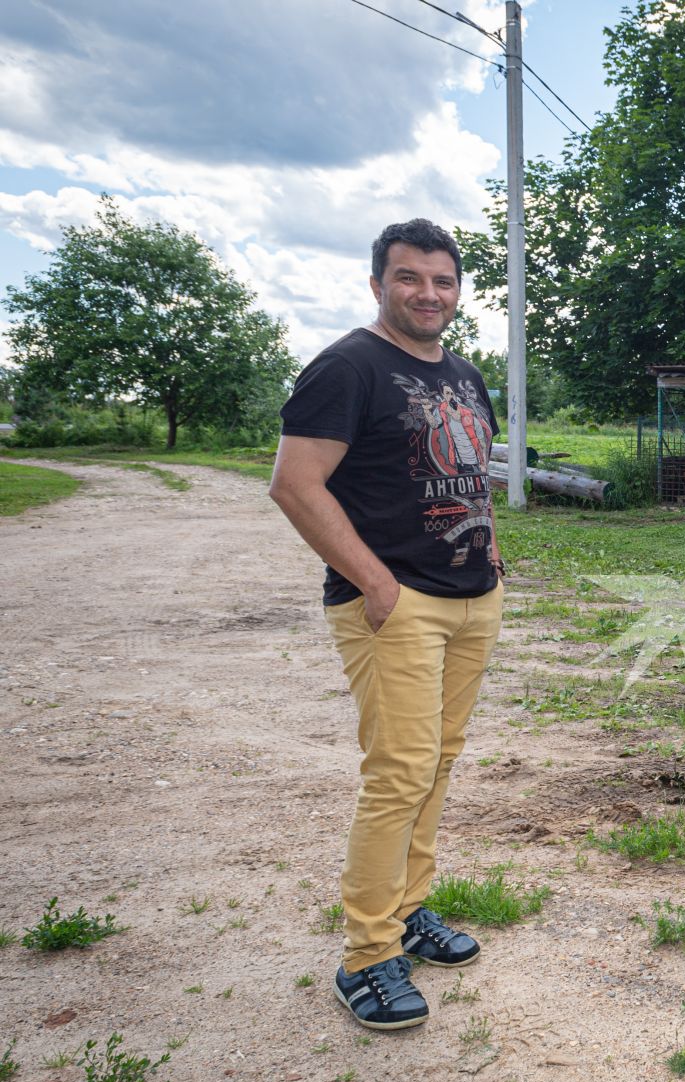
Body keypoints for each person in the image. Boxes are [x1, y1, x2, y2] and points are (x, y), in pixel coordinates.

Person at [268, 219, 504, 1031]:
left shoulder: (466, 374)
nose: (428, 294)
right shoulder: (346, 366)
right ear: (379, 285)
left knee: (435, 763)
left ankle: (408, 912)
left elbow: (472, 472)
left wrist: (493, 559)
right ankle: (367, 956)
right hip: (396, 601)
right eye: (410, 278)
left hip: (471, 598)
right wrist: (373, 580)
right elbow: (296, 485)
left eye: (442, 281)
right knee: (399, 771)